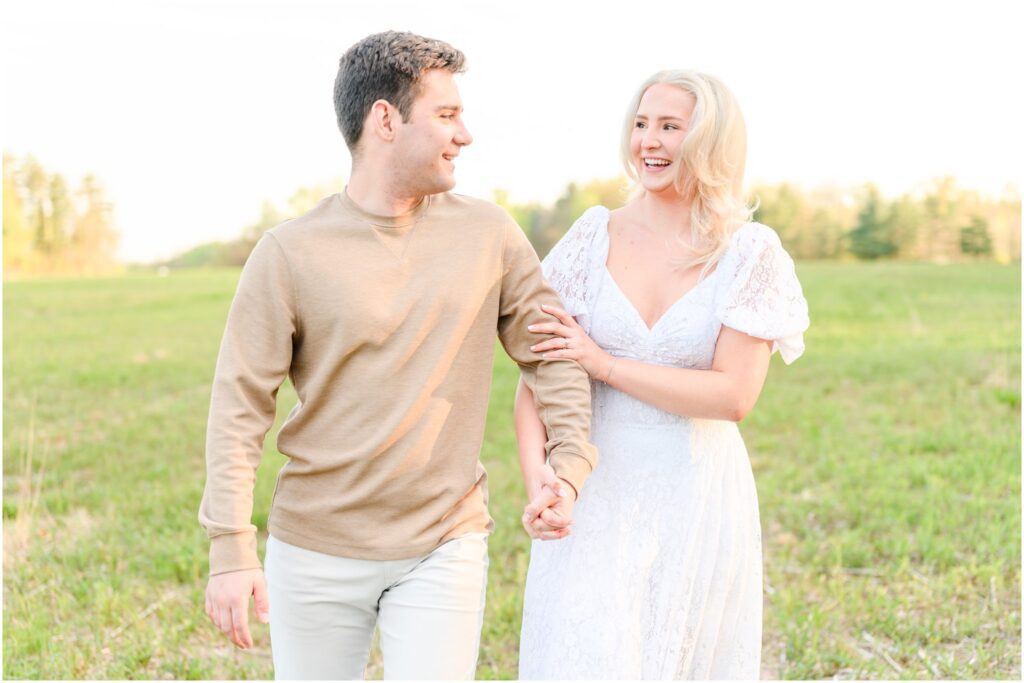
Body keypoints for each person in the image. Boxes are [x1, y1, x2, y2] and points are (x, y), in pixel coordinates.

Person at [198, 31, 596, 680]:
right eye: (446, 114)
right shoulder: (289, 251)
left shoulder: (488, 233)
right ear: (384, 119)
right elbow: (238, 406)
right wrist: (230, 547)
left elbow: (552, 352)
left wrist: (568, 461)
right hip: (313, 550)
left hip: (444, 541)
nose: (464, 133)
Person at [516, 70, 810, 679]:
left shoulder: (751, 252)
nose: (648, 140)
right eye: (641, 123)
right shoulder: (589, 236)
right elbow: (537, 376)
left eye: (670, 127)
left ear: (709, 140)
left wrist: (604, 364)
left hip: (696, 490)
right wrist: (543, 480)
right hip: (593, 488)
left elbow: (733, 395)